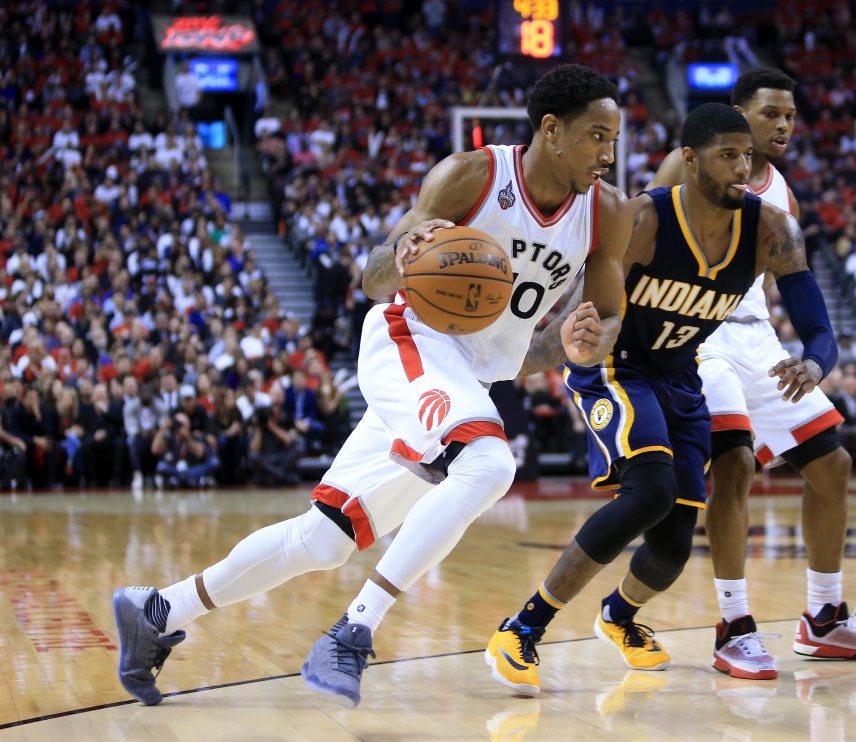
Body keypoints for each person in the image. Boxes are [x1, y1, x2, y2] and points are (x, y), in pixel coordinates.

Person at [112, 64, 632, 708]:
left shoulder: (607, 212)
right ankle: (354, 631)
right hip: (406, 340)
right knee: (490, 460)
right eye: (596, 136)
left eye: (614, 138)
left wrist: (582, 343)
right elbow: (375, 277)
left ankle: (158, 610)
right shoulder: (471, 174)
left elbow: (579, 331)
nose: (609, 154)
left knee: (324, 538)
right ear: (551, 130)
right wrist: (405, 251)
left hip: (459, 380)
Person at [488, 102, 843, 696]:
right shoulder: (643, 220)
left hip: (682, 377)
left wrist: (812, 364)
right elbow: (585, 315)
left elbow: (821, 332)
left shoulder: (772, 229)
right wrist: (514, 366)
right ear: (689, 159)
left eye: (747, 157)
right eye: (727, 155)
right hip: (616, 364)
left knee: (673, 545)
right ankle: (523, 627)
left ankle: (619, 616)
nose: (740, 167)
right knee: (649, 489)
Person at [647, 68, 856, 679]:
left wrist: (813, 359)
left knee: (831, 463)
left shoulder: (781, 194)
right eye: (770, 114)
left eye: (790, 115)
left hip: (755, 334)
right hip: (694, 331)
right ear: (737, 115)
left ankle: (823, 619)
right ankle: (733, 625)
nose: (784, 125)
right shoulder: (679, 168)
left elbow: (800, 295)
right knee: (734, 463)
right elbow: (641, 243)